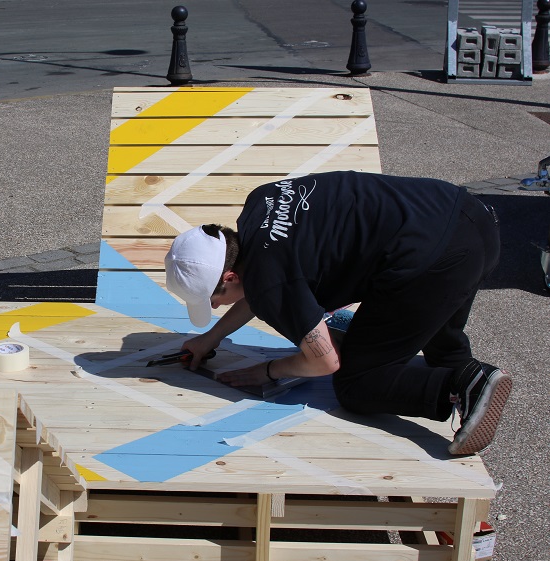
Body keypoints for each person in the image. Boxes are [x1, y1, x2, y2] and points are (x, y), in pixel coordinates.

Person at [164, 170, 511, 455]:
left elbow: (323, 362)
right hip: (468, 219)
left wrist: (268, 371)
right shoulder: (259, 202)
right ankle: (462, 373)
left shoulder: (268, 280)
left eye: (211, 298)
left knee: (358, 383)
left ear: (230, 276)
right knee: (438, 342)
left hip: (432, 263)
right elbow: (263, 283)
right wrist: (211, 338)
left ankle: (463, 385)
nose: (212, 307)